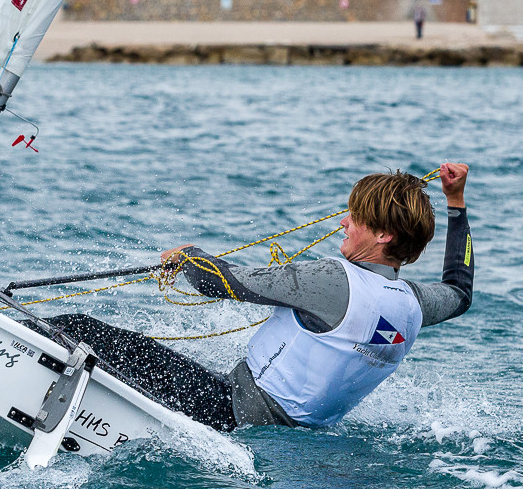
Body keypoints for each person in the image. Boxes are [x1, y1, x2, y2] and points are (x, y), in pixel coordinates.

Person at [34, 164, 473, 432]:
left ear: (383, 235)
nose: (343, 222)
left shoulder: (332, 280)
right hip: (289, 434)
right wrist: (456, 203)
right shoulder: (412, 305)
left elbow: (218, 282)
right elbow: (460, 290)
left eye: (355, 217)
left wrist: (189, 256)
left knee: (79, 328)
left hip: (226, 411)